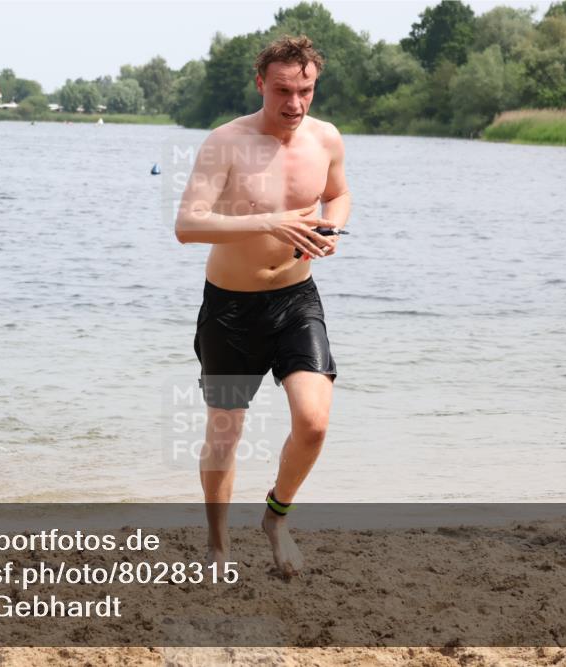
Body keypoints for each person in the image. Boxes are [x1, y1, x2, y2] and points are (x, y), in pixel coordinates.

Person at [174, 36, 351, 576]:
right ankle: (218, 545)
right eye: (282, 91)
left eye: (305, 91)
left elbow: (338, 194)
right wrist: (267, 222)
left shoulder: (326, 139)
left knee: (314, 422)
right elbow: (187, 225)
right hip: (230, 309)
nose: (294, 104)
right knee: (226, 432)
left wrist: (333, 226)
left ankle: (276, 516)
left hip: (297, 299)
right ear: (260, 85)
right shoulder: (226, 142)